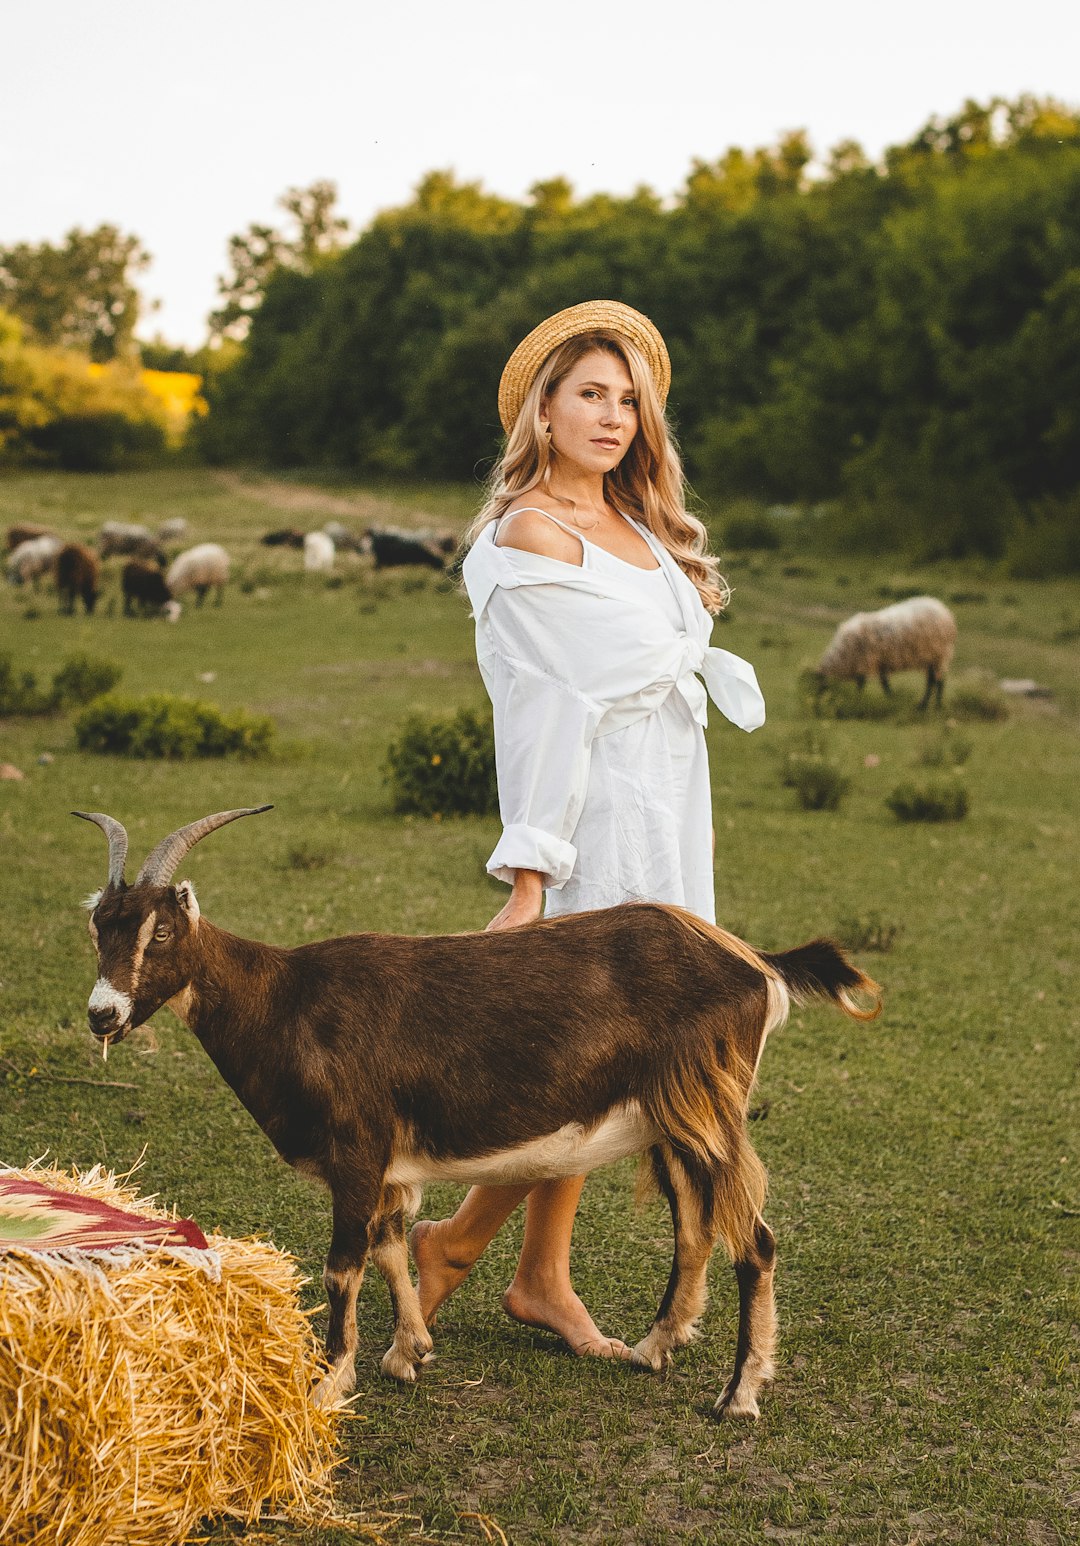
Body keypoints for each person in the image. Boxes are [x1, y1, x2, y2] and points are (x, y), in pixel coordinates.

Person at [410, 300, 766, 1358]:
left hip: (667, 801)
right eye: (590, 396)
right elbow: (548, 707)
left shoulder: (645, 528)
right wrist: (531, 871)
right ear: (544, 411)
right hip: (589, 810)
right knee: (586, 1052)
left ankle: (538, 1274)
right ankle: (462, 1247)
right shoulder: (531, 532)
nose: (612, 416)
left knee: (623, 1046)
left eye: (628, 399)